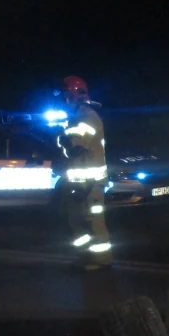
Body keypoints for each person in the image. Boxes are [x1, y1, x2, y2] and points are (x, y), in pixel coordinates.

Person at [58, 76, 112, 268]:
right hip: (79, 183)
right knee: (75, 221)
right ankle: (86, 256)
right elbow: (67, 147)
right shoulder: (75, 118)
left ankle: (102, 261)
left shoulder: (87, 117)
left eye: (66, 95)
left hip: (91, 185)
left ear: (74, 95)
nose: (64, 100)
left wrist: (63, 137)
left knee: (94, 222)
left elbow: (74, 146)